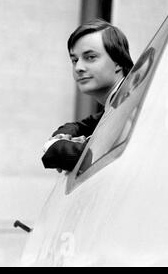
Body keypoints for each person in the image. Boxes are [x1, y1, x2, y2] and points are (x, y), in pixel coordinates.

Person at [41, 19, 134, 173]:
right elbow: (79, 126)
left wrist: (53, 147)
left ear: (118, 61)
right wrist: (62, 139)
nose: (78, 68)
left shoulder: (128, 103)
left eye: (90, 57)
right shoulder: (116, 102)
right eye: (74, 60)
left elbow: (95, 155)